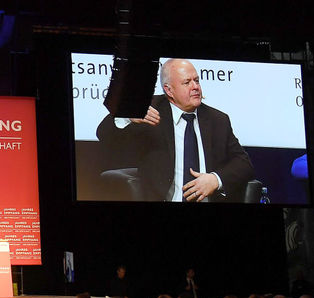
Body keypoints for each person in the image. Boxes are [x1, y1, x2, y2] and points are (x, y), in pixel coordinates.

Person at [95, 58, 255, 202]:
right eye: (187, 83)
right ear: (169, 90)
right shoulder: (149, 108)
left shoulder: (218, 120)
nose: (195, 87)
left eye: (197, 81)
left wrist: (215, 179)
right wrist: (127, 116)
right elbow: (103, 133)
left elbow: (243, 163)